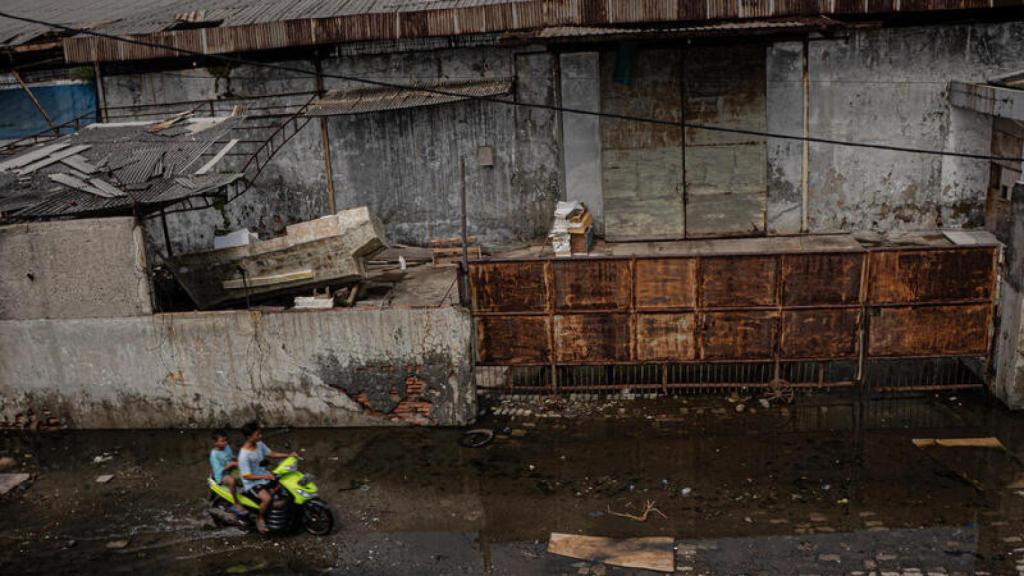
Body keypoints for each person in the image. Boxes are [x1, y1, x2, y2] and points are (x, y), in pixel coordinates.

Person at [238, 421, 296, 534]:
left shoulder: (259, 444)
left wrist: (288, 455)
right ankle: (260, 518)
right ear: (249, 437)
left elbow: (271, 454)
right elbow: (247, 476)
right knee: (267, 498)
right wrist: (265, 476)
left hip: (264, 477)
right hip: (252, 483)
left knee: (284, 486)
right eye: (258, 434)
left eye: (260, 433)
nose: (260, 436)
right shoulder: (244, 455)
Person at [209, 430, 246, 515]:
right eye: (222, 441)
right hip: (221, 475)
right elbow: (218, 470)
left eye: (226, 440)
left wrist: (241, 461)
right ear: (215, 442)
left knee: (247, 473)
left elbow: (232, 458)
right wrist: (231, 465)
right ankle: (236, 503)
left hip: (231, 470)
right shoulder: (214, 454)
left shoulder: (227, 447)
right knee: (231, 480)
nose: (225, 443)